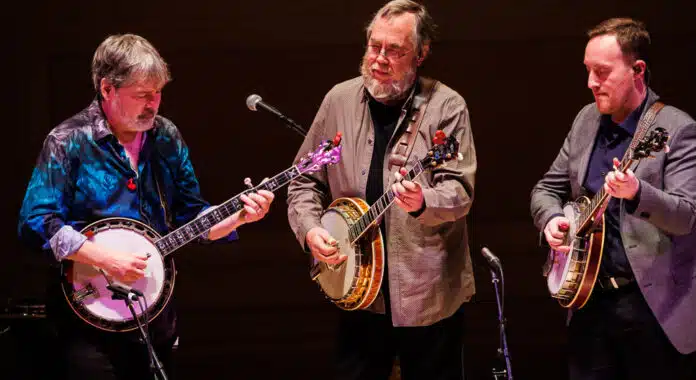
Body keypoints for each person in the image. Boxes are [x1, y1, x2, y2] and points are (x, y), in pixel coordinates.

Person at [17, 34, 274, 380]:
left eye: (158, 93)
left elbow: (192, 216)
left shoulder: (166, 137)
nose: (154, 104)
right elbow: (36, 223)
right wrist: (103, 258)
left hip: (155, 318)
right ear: (107, 89)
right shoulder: (67, 141)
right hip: (86, 323)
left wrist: (240, 217)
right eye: (142, 95)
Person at [286, 1, 477, 379]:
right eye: (375, 46)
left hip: (428, 295)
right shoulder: (338, 100)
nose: (379, 59)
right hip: (357, 290)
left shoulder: (447, 106)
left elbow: (460, 191)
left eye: (395, 50)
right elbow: (304, 179)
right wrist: (310, 230)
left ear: (421, 54)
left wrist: (424, 201)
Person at [530, 18, 696, 380]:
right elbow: (545, 189)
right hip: (590, 303)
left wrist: (636, 192)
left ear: (638, 70)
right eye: (587, 71)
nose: (590, 83)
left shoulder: (679, 131)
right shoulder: (586, 120)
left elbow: (685, 217)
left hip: (658, 308)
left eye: (602, 72)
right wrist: (551, 219)